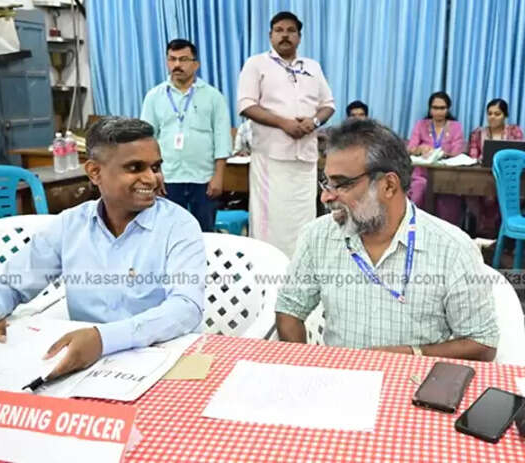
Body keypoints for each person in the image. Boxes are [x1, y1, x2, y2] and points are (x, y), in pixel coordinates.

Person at [0, 117, 206, 380]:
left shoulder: (178, 226)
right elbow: (11, 282)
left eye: (156, 167)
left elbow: (186, 307)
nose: (151, 178)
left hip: (161, 359)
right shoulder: (70, 225)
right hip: (84, 363)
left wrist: (104, 338)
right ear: (94, 172)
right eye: (135, 168)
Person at [275, 118, 499, 361]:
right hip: (342, 384)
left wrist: (412, 355)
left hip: (417, 388)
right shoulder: (318, 236)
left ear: (389, 186)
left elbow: (482, 343)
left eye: (341, 185)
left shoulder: (451, 248)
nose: (326, 197)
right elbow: (289, 311)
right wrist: (307, 370)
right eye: (326, 182)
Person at [237, 11, 336, 257]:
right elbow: (246, 105)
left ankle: (299, 270)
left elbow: (329, 104)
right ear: (270, 35)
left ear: (299, 37)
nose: (285, 35)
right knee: (269, 220)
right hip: (271, 158)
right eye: (279, 30)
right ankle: (267, 274)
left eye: (291, 31)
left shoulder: (312, 66)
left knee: (303, 220)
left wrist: (313, 122)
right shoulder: (256, 64)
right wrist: (284, 124)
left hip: (305, 159)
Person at [140, 39, 232, 232]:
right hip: (168, 177)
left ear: (195, 64)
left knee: (204, 232)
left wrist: (219, 176)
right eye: (172, 59)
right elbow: (147, 140)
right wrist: (154, 175)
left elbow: (222, 138)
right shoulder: (154, 96)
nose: (177, 65)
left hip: (203, 178)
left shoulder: (213, 96)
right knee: (168, 231)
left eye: (183, 59)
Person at [467, 98, 525, 237]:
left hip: (508, 177)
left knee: (514, 193)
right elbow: (473, 155)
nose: (492, 117)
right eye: (490, 113)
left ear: (505, 116)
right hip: (483, 176)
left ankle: (504, 231)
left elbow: (519, 155)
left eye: (497, 114)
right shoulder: (478, 133)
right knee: (472, 190)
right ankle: (483, 231)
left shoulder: (514, 132)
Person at [407, 91, 466, 226]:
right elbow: (411, 148)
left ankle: (446, 232)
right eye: (435, 108)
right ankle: (413, 226)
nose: (438, 111)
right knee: (419, 188)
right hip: (422, 173)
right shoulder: (421, 124)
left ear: (447, 109)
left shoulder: (456, 126)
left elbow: (457, 150)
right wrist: (420, 149)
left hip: (446, 174)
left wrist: (442, 152)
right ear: (430, 108)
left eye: (442, 108)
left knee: (449, 196)